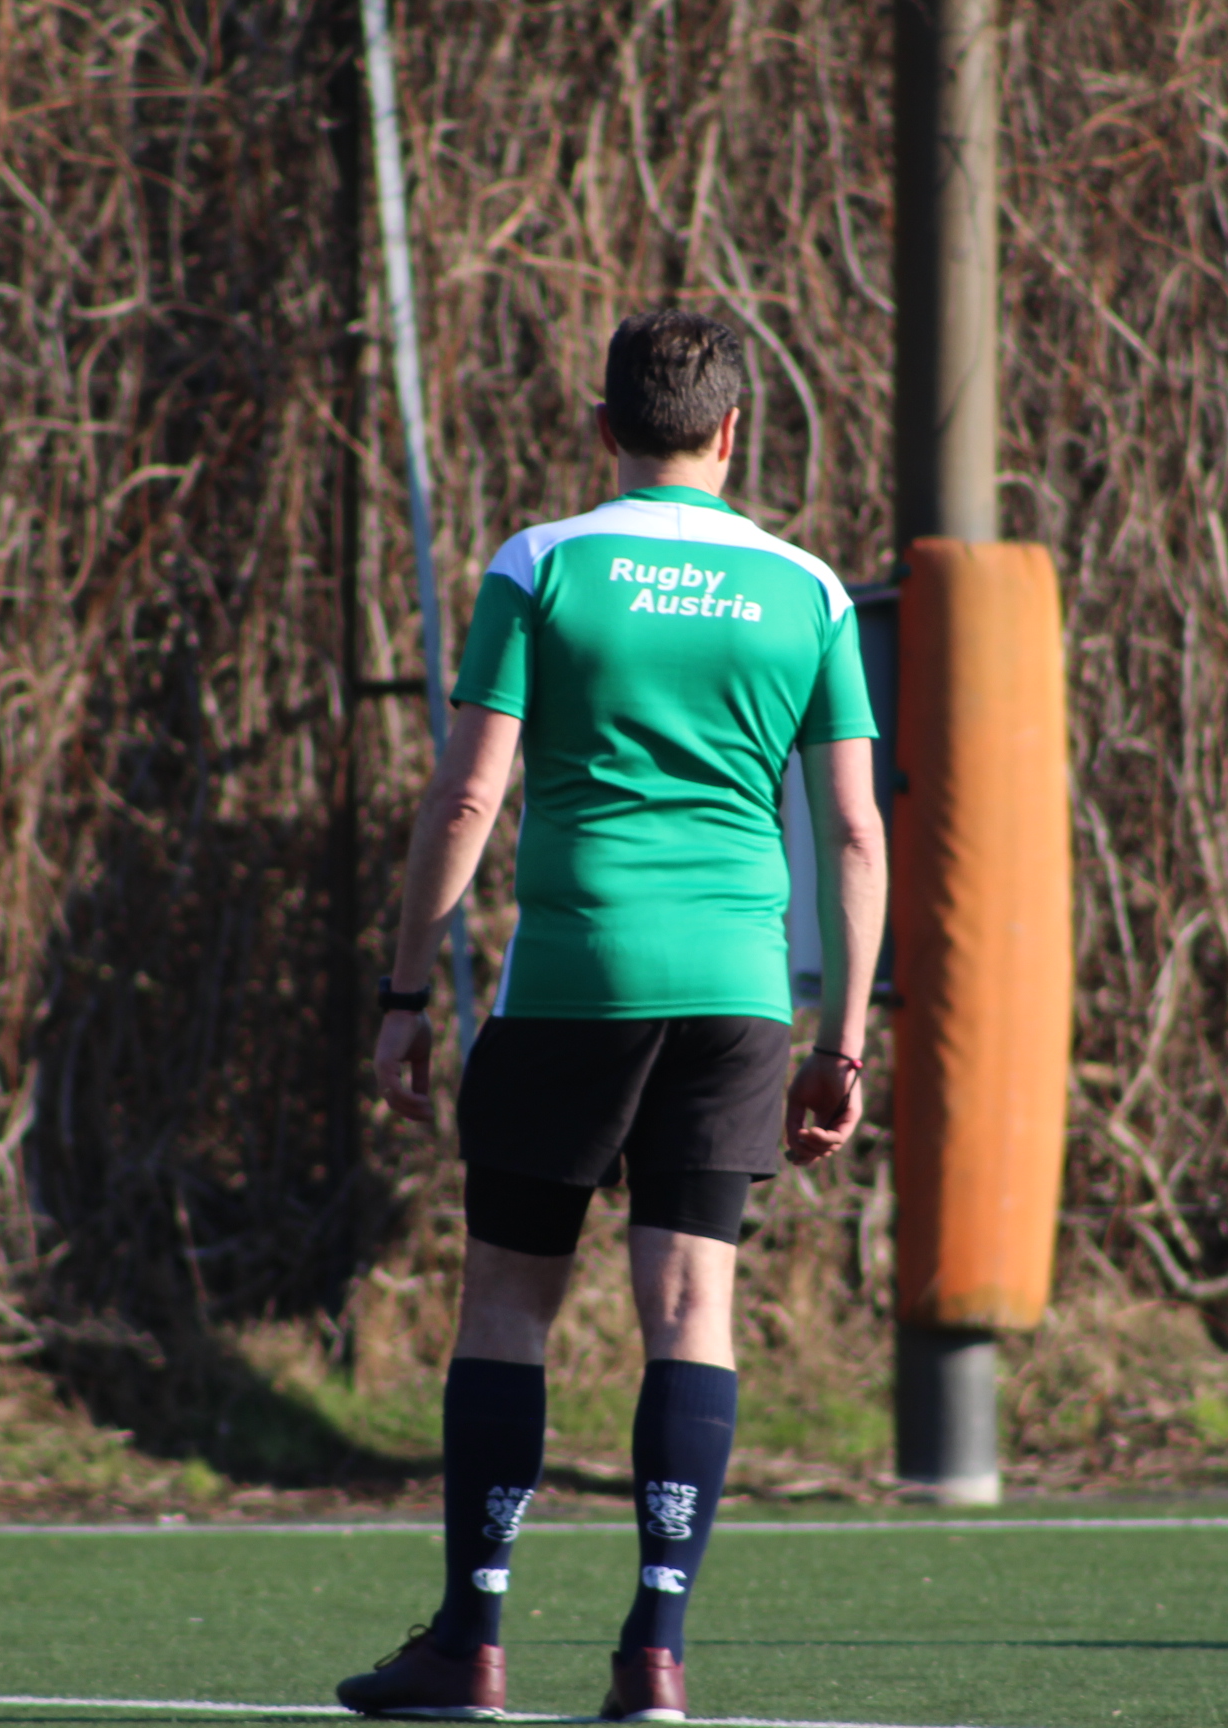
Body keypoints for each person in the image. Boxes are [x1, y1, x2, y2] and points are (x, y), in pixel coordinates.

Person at [334, 310, 887, 1721]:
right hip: (739, 994)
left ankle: (473, 1641)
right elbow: (854, 833)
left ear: (603, 428)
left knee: (509, 1305)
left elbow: (468, 793)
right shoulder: (809, 589)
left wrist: (407, 988)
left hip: (575, 979)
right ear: (732, 432)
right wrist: (841, 1041)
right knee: (692, 1309)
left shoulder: (544, 563)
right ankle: (656, 1654)